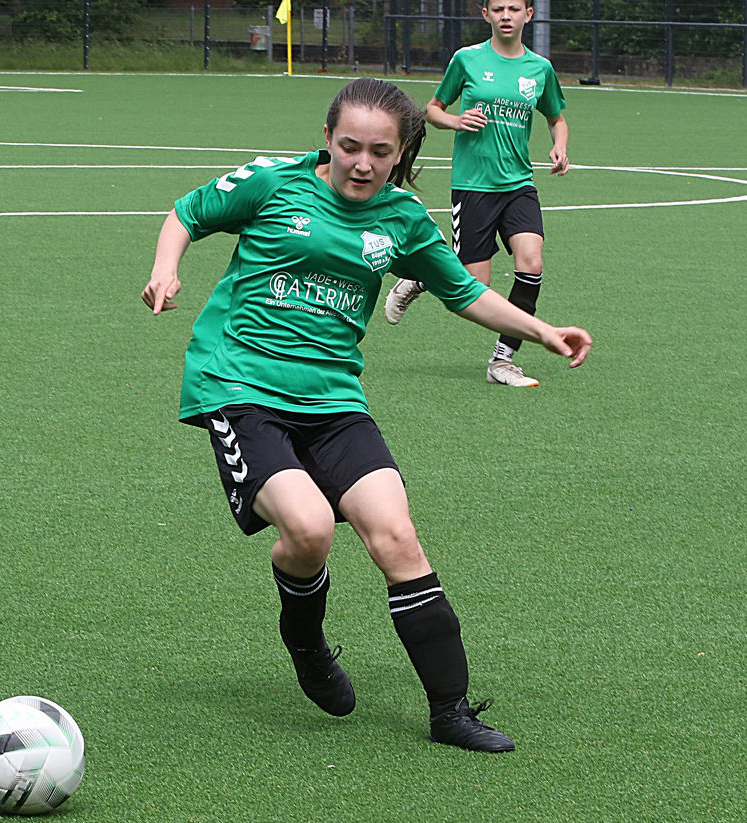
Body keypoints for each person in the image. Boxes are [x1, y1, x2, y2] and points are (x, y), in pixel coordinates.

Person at [142, 78, 590, 752]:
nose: (361, 162)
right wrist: (165, 268)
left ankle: (451, 713)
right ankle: (306, 643)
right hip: (239, 386)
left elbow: (464, 291)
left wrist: (543, 330)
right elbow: (187, 212)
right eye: (348, 146)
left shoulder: (402, 218)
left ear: (403, 150)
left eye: (379, 151)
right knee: (312, 527)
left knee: (396, 536)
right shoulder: (273, 182)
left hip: (334, 400)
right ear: (327, 139)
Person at [383, 0, 568, 388]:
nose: (506, 15)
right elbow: (432, 109)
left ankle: (503, 360)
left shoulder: (540, 68)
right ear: (485, 15)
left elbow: (556, 117)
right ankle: (419, 280)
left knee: (531, 263)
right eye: (498, 8)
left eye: (514, 8)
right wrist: (454, 120)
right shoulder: (466, 60)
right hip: (473, 186)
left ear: (528, 15)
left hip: (518, 183)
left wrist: (559, 146)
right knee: (475, 284)